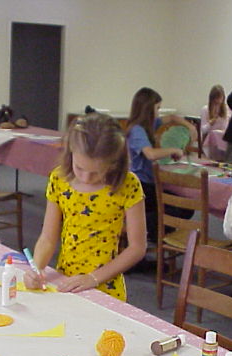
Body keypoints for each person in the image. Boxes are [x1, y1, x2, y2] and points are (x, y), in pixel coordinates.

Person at [23, 113, 147, 302]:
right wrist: (37, 269)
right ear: (70, 153)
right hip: (65, 281)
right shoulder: (59, 178)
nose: (86, 178)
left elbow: (137, 247)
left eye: (96, 172)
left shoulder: (127, 185)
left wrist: (93, 278)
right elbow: (48, 237)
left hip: (105, 286)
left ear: (113, 163)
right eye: (79, 168)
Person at [126, 87, 197, 242]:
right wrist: (173, 150)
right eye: (157, 108)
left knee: (186, 206)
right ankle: (144, 228)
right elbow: (150, 154)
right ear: (148, 109)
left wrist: (190, 126)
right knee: (174, 208)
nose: (159, 112)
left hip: (148, 184)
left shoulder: (150, 124)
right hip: (140, 186)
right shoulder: (137, 130)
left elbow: (172, 117)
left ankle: (153, 230)